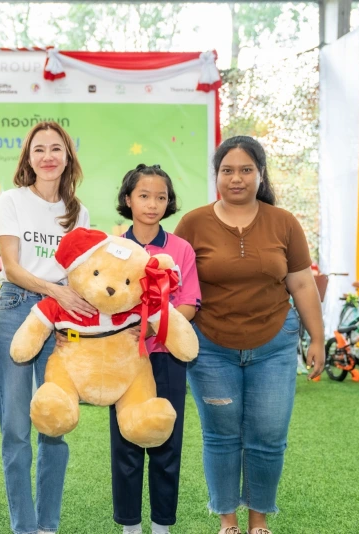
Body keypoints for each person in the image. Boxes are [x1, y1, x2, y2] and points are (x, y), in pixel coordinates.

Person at [173, 136, 325, 534]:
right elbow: (176, 285)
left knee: (269, 436)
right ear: (217, 175)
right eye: (227, 170)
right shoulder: (192, 223)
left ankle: (258, 520)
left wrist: (318, 339)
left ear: (260, 174)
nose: (236, 178)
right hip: (210, 348)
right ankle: (228, 520)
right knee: (222, 435)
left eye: (245, 170)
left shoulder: (284, 222)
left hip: (274, 346)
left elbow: (303, 285)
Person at [0, 121, 92, 534]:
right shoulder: (12, 200)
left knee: (54, 424)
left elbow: (83, 272)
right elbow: (12, 268)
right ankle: (24, 527)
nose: (47, 156)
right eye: (39, 150)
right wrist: (58, 291)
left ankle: (47, 526)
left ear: (67, 156)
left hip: (64, 319)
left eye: (56, 149)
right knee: (15, 429)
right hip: (16, 312)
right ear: (28, 159)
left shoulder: (79, 211)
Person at [109, 164, 200, 534]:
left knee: (166, 441)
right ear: (128, 199)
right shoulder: (113, 248)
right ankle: (130, 526)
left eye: (160, 197)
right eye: (144, 196)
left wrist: (151, 325)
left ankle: (162, 525)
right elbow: (103, 300)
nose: (152, 204)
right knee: (125, 443)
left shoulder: (180, 249)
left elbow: (190, 305)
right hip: (124, 362)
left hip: (166, 358)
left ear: (169, 202)